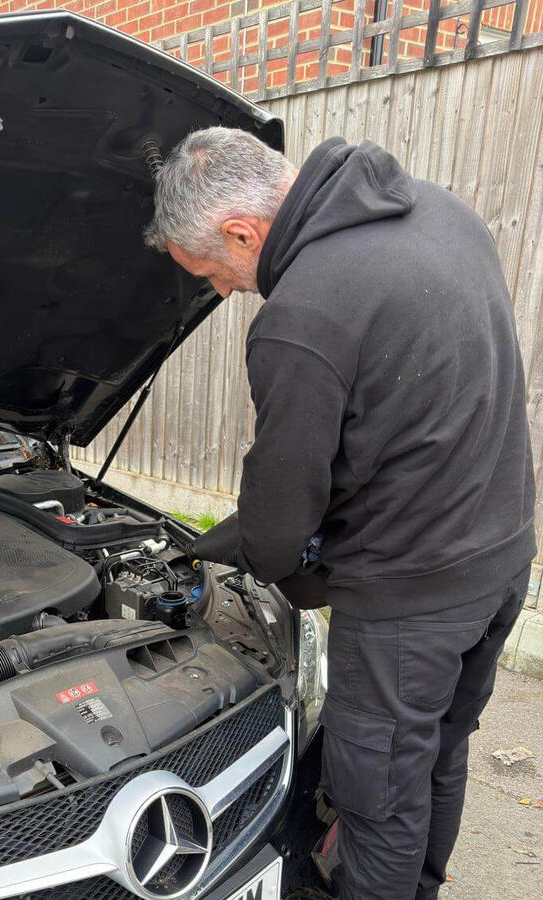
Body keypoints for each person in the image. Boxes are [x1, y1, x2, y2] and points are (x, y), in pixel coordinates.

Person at [144, 127, 536, 900]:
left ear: (241, 231)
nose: (224, 293)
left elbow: (282, 522)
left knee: (378, 798)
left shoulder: (302, 316)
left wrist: (230, 552)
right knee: (437, 756)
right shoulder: (440, 210)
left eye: (215, 274)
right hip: (501, 562)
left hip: (410, 607)